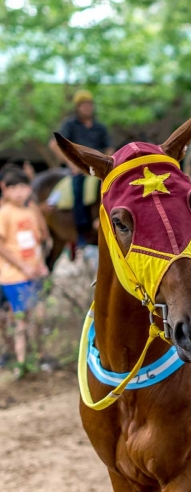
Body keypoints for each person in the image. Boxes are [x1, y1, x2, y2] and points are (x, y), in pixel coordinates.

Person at [0, 167, 49, 378]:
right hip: (14, 276)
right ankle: (22, 365)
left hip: (33, 274)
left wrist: (41, 264)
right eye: (13, 188)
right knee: (20, 319)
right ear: (5, 191)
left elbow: (39, 242)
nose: (18, 192)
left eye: (22, 187)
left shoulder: (31, 212)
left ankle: (38, 356)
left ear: (29, 188)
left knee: (39, 317)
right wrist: (23, 266)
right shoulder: (4, 213)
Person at [48, 89, 112, 245]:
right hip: (81, 168)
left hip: (100, 166)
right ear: (77, 107)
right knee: (78, 187)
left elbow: (110, 149)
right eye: (83, 105)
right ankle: (82, 230)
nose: (87, 107)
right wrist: (72, 163)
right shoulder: (70, 124)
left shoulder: (100, 127)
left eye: (89, 104)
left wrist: (109, 161)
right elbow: (54, 144)